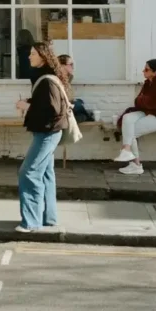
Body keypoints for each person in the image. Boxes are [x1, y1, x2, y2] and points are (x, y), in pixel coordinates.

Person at [14, 42, 70, 233]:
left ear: (43, 57)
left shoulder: (46, 80)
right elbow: (45, 102)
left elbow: (52, 109)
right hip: (49, 131)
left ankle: (31, 222)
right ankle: (49, 218)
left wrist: (27, 106)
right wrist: (28, 102)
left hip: (48, 133)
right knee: (46, 174)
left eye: (32, 54)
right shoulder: (45, 77)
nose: (29, 56)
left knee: (29, 172)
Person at [113, 59, 156, 175]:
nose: (143, 71)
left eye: (146, 69)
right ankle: (126, 150)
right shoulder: (148, 83)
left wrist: (143, 100)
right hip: (147, 112)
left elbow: (154, 103)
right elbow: (138, 101)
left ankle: (136, 164)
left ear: (155, 72)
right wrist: (144, 101)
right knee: (127, 118)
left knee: (130, 132)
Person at [57, 54, 94, 122]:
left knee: (80, 103)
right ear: (62, 66)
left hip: (69, 106)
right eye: (71, 64)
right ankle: (88, 117)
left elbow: (70, 97)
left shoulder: (68, 78)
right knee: (79, 106)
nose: (73, 67)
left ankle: (84, 117)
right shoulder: (56, 80)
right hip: (63, 109)